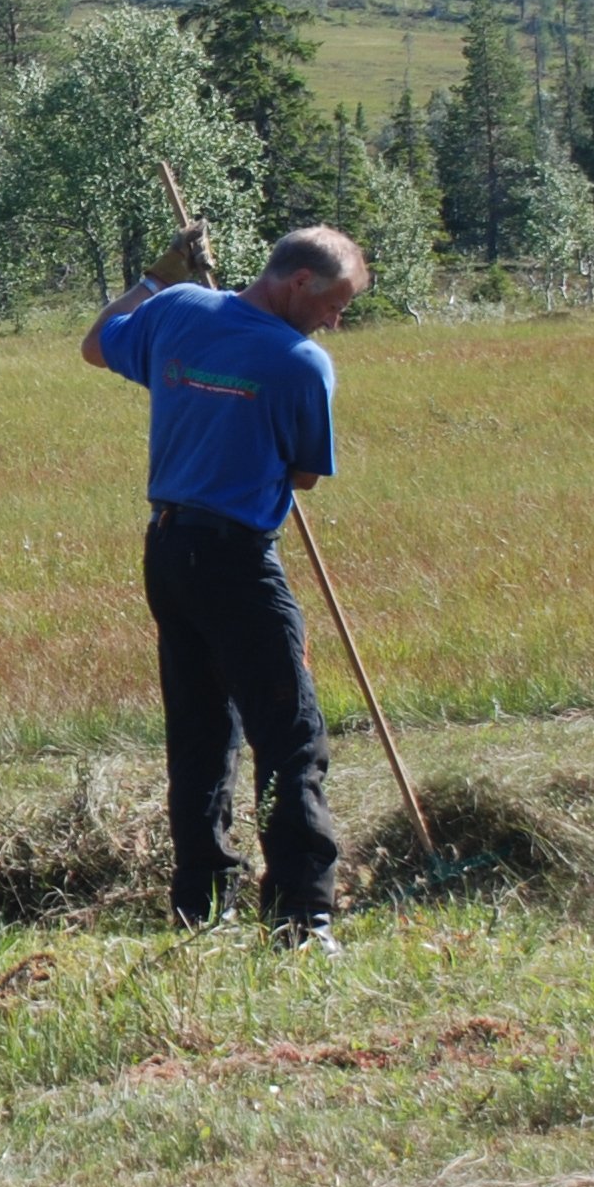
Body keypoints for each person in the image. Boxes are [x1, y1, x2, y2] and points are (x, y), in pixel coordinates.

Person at [78, 220, 371, 941]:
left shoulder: (177, 310)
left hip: (170, 552)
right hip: (238, 560)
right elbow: (304, 472)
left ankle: (202, 905)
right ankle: (304, 915)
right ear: (298, 282)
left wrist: (157, 278)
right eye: (336, 304)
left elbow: (96, 343)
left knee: (203, 732)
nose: (337, 320)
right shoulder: (302, 364)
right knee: (291, 734)